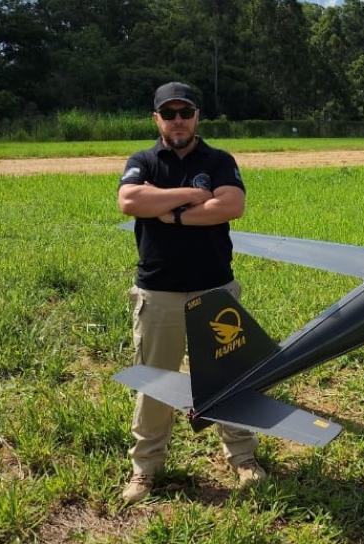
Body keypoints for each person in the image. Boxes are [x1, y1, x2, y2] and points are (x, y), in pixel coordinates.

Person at [117, 81, 266, 504]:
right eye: (170, 113)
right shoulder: (143, 160)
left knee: (229, 377)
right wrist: (193, 196)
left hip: (214, 288)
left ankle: (243, 458)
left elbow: (231, 205)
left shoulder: (219, 160)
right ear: (157, 119)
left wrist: (171, 215)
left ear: (198, 116)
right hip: (158, 290)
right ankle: (145, 468)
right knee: (156, 382)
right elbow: (130, 201)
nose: (178, 120)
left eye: (185, 112)